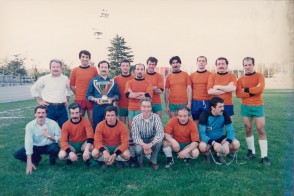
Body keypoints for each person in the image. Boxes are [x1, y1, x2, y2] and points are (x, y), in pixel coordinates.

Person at [236, 57, 270, 166]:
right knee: (248, 129)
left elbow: (260, 89)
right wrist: (253, 91)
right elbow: (238, 94)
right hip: (245, 106)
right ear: (243, 66)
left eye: (249, 64)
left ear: (253, 65)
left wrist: (246, 90)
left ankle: (264, 156)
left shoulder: (259, 76)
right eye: (245, 65)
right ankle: (251, 152)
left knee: (261, 129)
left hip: (258, 106)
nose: (247, 67)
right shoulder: (240, 79)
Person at [13, 105, 61, 174]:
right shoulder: (29, 126)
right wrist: (29, 162)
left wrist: (49, 136)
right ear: (35, 114)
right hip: (35, 147)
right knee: (17, 153)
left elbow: (59, 136)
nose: (41, 115)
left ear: (46, 114)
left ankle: (52, 158)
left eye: (43, 113)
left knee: (54, 148)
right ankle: (35, 159)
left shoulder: (53, 123)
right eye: (38, 113)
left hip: (49, 146)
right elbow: (28, 142)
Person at [125, 63, 153, 165]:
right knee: (132, 132)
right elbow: (128, 95)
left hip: (144, 110)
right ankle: (133, 157)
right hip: (132, 109)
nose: (140, 71)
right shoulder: (130, 82)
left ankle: (144, 152)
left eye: (142, 69)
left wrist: (134, 94)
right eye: (138, 69)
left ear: (144, 71)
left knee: (144, 131)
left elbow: (148, 96)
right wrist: (141, 93)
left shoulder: (148, 83)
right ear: (134, 71)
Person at [198, 97, 240, 164]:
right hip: (208, 139)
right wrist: (213, 143)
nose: (222, 109)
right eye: (220, 107)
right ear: (213, 108)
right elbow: (201, 134)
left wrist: (227, 143)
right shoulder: (205, 114)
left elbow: (231, 131)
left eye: (223, 106)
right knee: (202, 147)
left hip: (220, 138)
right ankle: (207, 154)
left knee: (236, 144)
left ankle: (219, 155)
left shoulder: (225, 114)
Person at [31, 59, 71, 128]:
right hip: (49, 108)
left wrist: (67, 99)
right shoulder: (44, 79)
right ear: (50, 68)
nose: (55, 69)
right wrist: (39, 100)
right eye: (53, 67)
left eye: (57, 67)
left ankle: (64, 139)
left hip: (62, 108)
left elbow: (69, 89)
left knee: (65, 128)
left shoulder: (65, 79)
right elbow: (33, 89)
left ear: (61, 68)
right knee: (49, 129)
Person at [132, 97, 164, 170]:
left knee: (159, 142)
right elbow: (135, 136)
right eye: (144, 106)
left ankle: (153, 161)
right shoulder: (135, 119)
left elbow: (160, 134)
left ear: (151, 107)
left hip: (151, 139)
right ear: (140, 107)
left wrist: (150, 144)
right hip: (141, 140)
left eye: (148, 106)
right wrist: (144, 145)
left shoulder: (156, 117)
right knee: (138, 149)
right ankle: (140, 160)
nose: (146, 109)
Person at [86, 60, 120, 129]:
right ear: (99, 68)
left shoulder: (113, 81)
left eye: (105, 67)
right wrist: (95, 99)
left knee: (110, 126)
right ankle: (97, 139)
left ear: (108, 69)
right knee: (97, 126)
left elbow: (117, 95)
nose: (103, 69)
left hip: (109, 107)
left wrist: (112, 99)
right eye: (102, 67)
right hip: (97, 107)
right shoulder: (93, 81)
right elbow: (88, 96)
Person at [70, 50, 98, 126]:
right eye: (83, 57)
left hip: (91, 99)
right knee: (78, 119)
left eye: (87, 57)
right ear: (80, 58)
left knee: (92, 120)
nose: (85, 59)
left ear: (89, 59)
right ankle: (79, 137)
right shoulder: (75, 70)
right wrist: (78, 94)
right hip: (79, 99)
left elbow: (97, 84)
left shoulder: (94, 69)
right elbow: (72, 85)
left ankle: (92, 136)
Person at [190, 56, 213, 124]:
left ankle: (205, 134)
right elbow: (189, 90)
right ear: (197, 63)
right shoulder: (192, 75)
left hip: (207, 101)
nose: (201, 62)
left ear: (206, 63)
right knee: (195, 120)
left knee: (206, 120)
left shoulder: (211, 75)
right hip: (195, 101)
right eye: (199, 61)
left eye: (203, 61)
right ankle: (197, 134)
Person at [114, 59, 134, 124]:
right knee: (122, 127)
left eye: (127, 65)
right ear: (120, 67)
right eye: (123, 66)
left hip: (132, 106)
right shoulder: (115, 79)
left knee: (132, 128)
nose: (125, 67)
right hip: (120, 106)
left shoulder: (134, 79)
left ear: (129, 67)